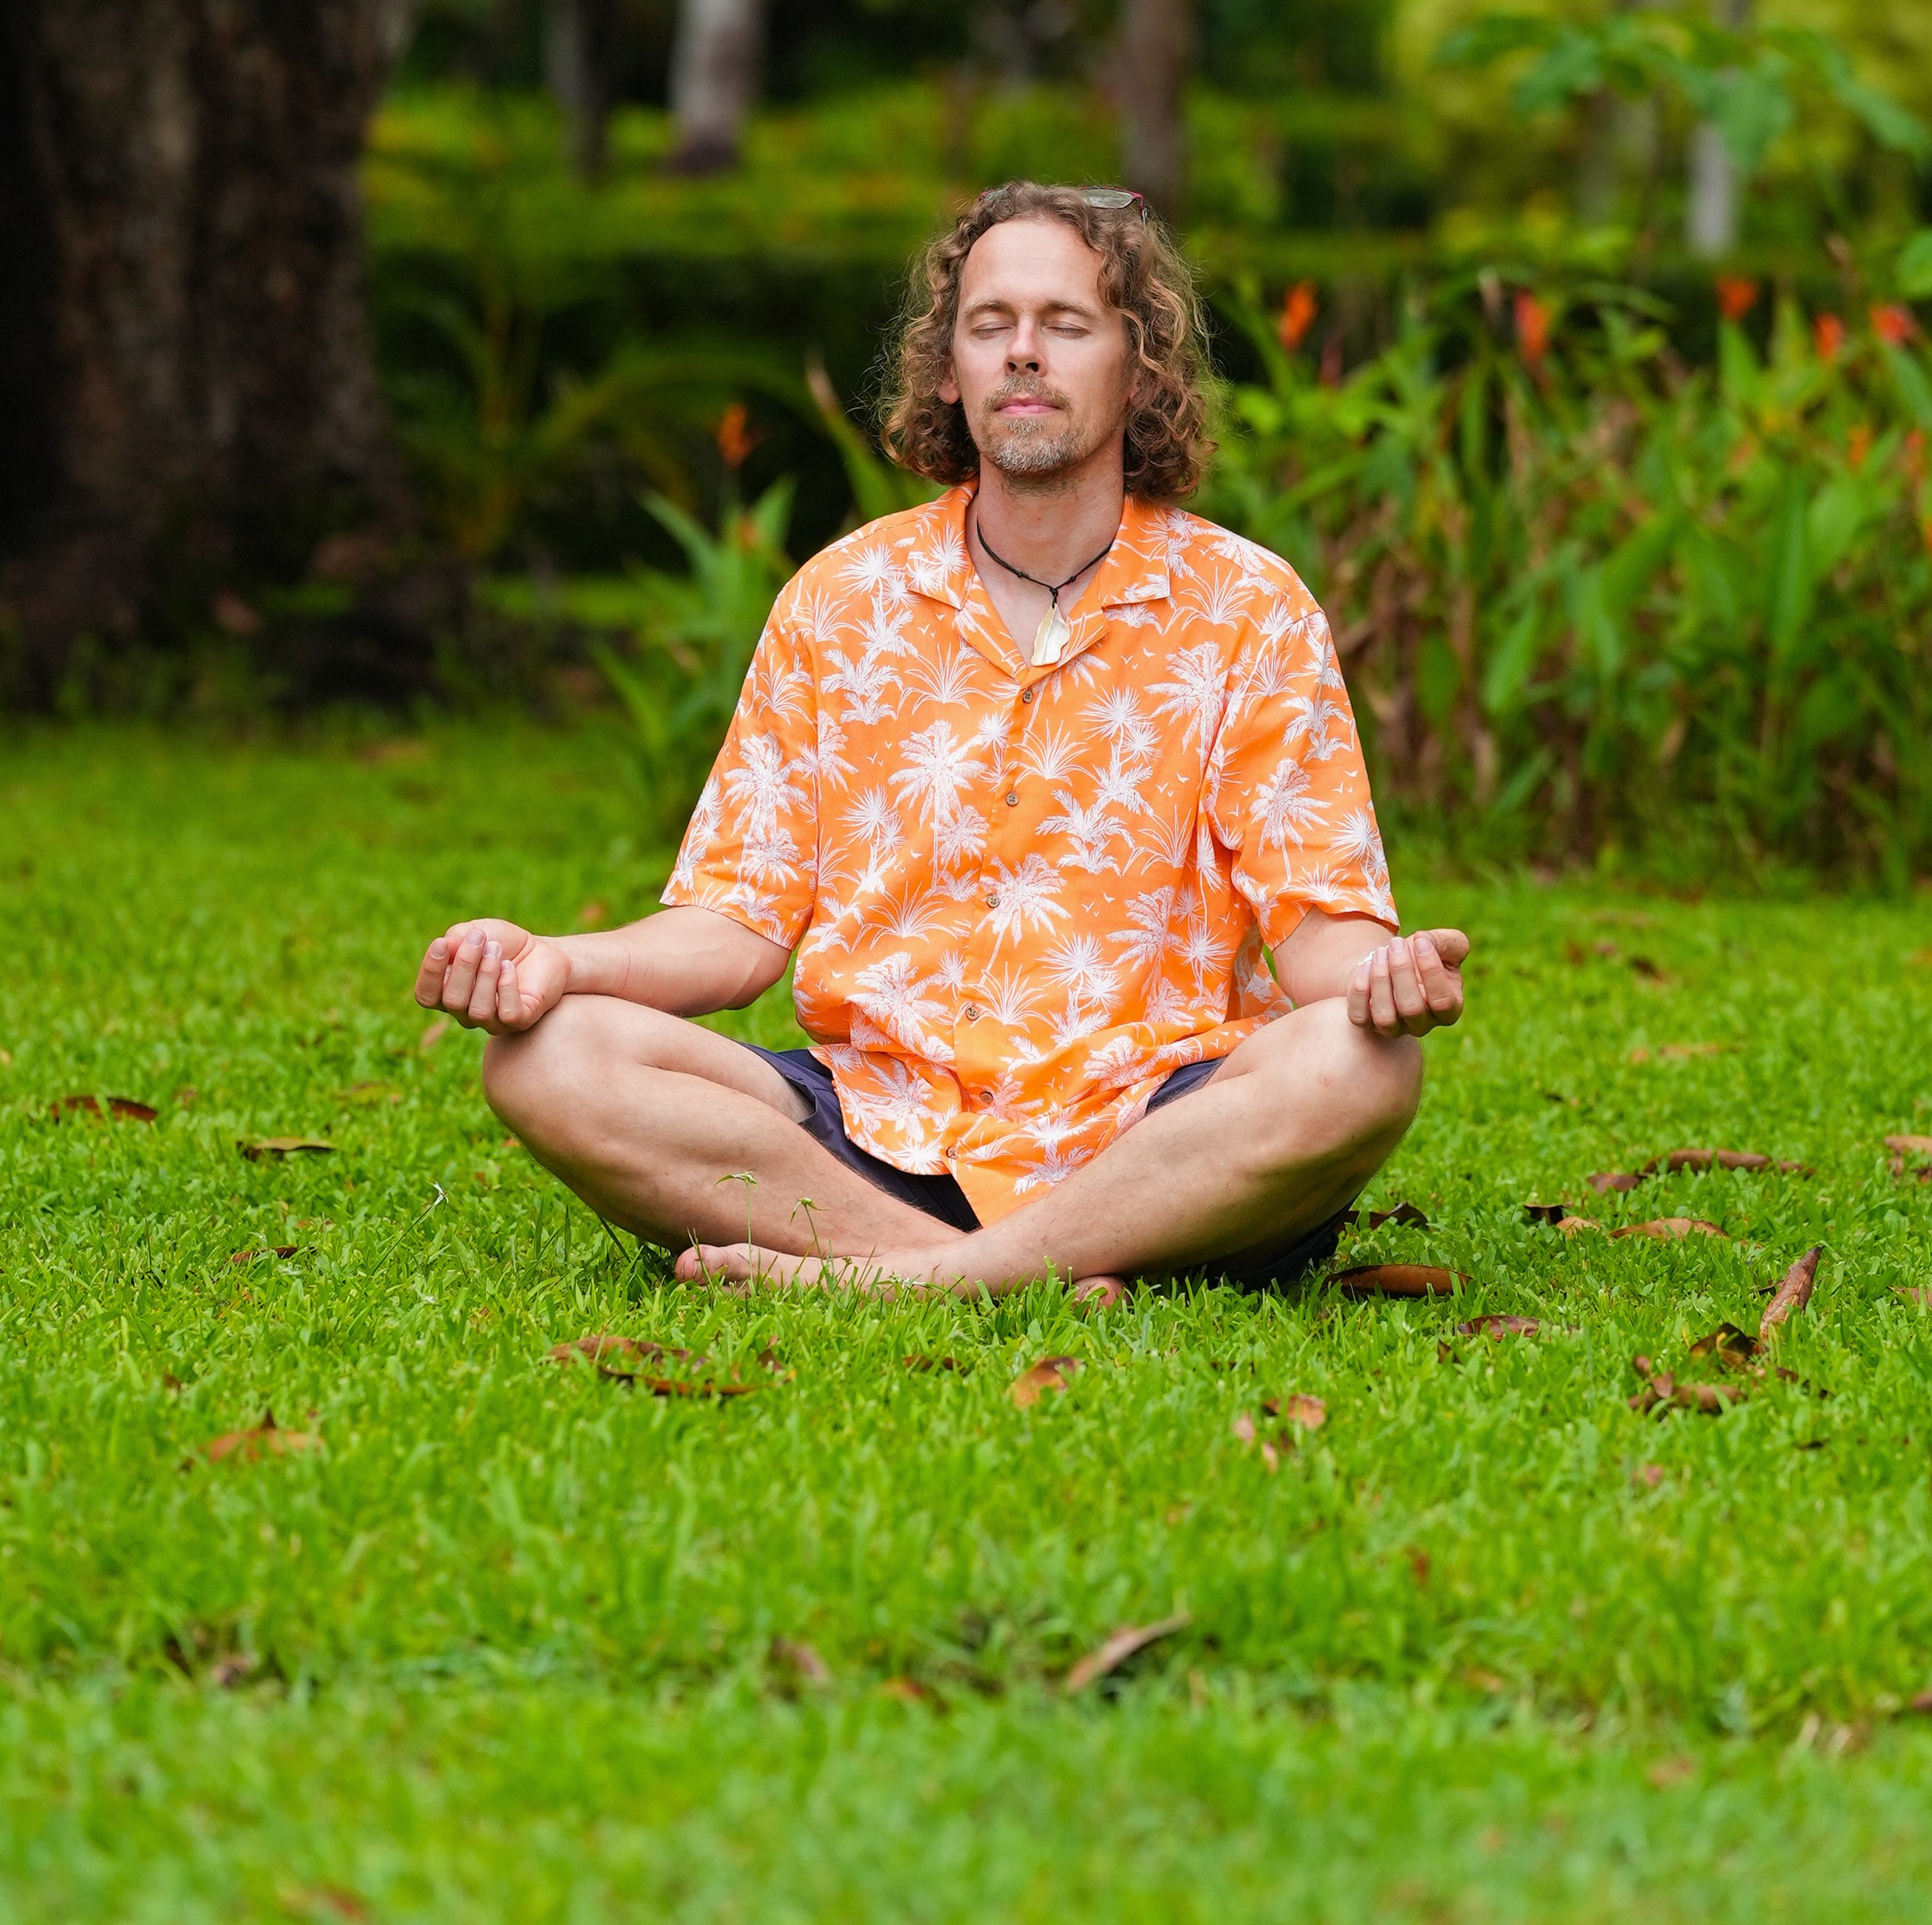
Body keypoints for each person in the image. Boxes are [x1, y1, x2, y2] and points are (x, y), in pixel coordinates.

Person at [414, 182, 1468, 1296]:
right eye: (989, 323)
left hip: (1159, 1130)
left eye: (1064, 323)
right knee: (552, 1053)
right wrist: (557, 963)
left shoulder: (1251, 608)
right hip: (873, 1131)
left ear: (1136, 361)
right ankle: (995, 1269)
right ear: (950, 364)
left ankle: (907, 1278)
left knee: (1362, 1065)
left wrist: (1388, 977)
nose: (1023, 352)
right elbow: (734, 923)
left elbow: (1320, 941)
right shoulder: (841, 598)